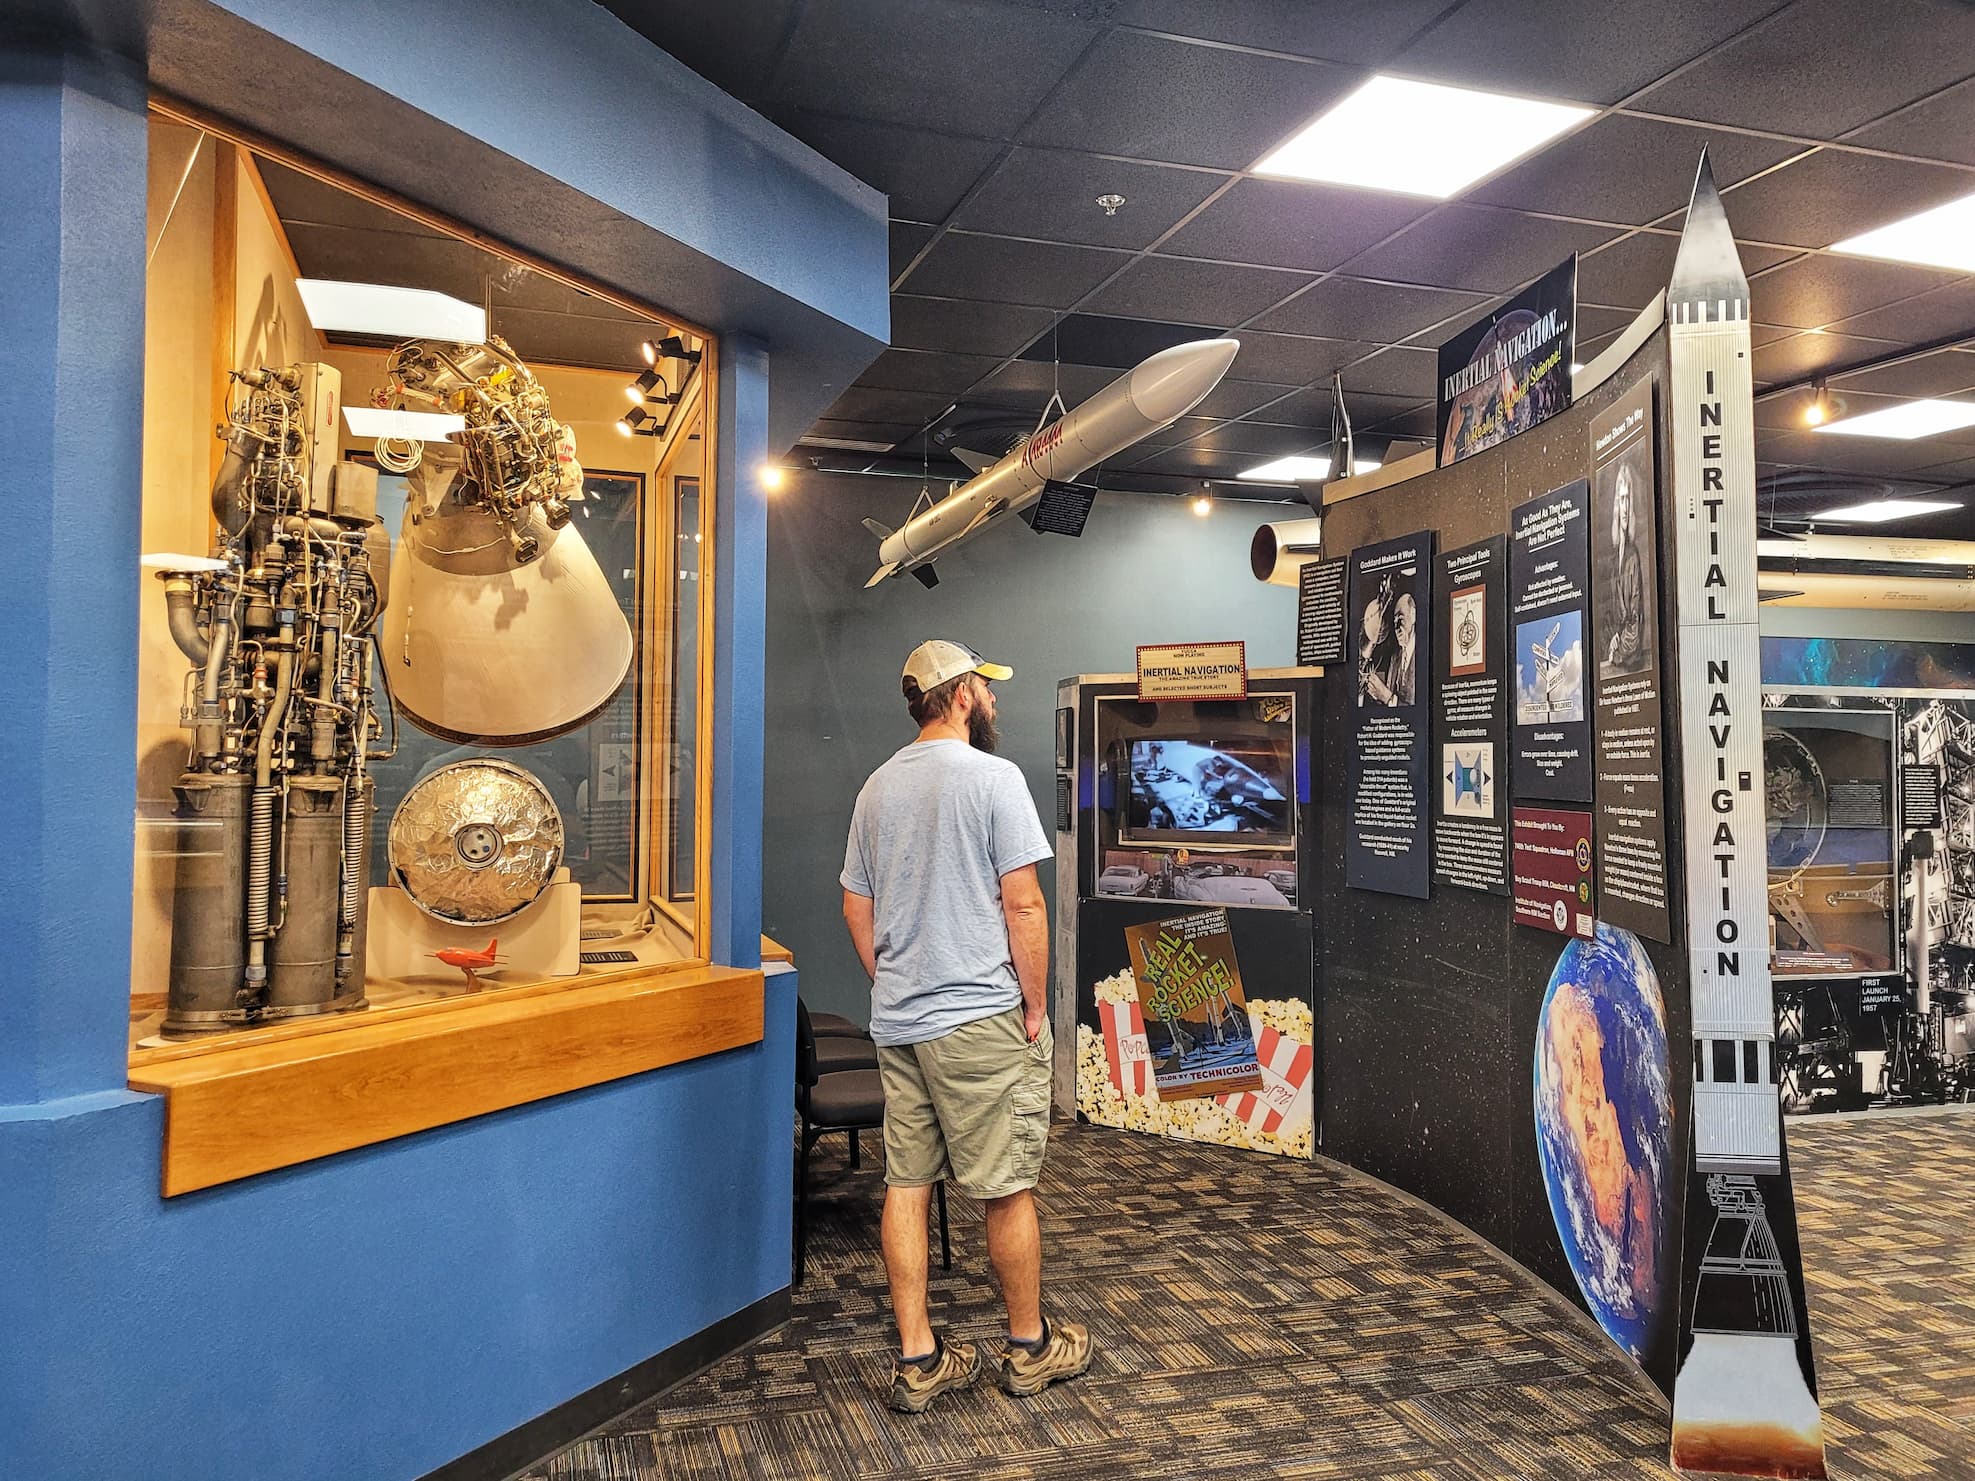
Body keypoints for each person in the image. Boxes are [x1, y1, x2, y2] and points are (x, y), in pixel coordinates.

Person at [841, 639, 1095, 1414]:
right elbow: (1023, 903)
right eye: (984, 689)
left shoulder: (876, 787)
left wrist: (892, 982)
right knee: (1005, 1187)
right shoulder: (993, 778)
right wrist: (1034, 1004)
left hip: (902, 1023)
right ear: (958, 696)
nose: (992, 700)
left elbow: (856, 905)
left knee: (906, 1183)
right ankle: (1028, 1348)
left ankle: (920, 1358)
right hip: (979, 1019)